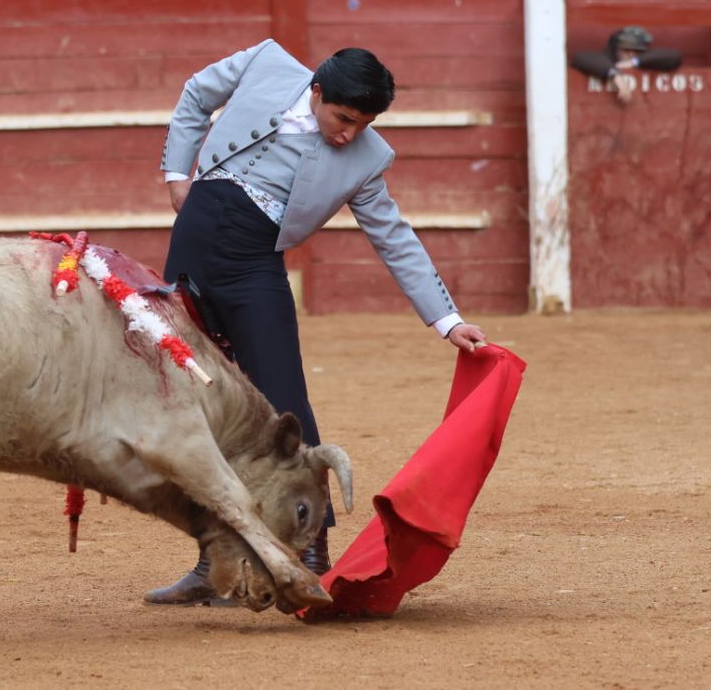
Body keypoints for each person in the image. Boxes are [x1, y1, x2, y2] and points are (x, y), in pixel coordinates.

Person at [145, 41, 489, 605]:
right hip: (193, 243)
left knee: (284, 405)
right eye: (344, 118)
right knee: (197, 404)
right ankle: (215, 563)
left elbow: (393, 237)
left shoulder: (367, 159)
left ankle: (310, 550)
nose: (350, 134)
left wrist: (446, 320)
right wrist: (176, 174)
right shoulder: (266, 63)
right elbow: (195, 95)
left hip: (253, 265)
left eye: (364, 124)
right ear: (318, 91)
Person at [570, 25, 683, 103]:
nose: (631, 54)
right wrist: (615, 75)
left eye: (637, 51)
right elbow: (580, 57)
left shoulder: (641, 61)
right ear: (616, 49)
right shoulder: (605, 59)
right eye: (626, 50)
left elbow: (675, 56)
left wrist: (635, 62)